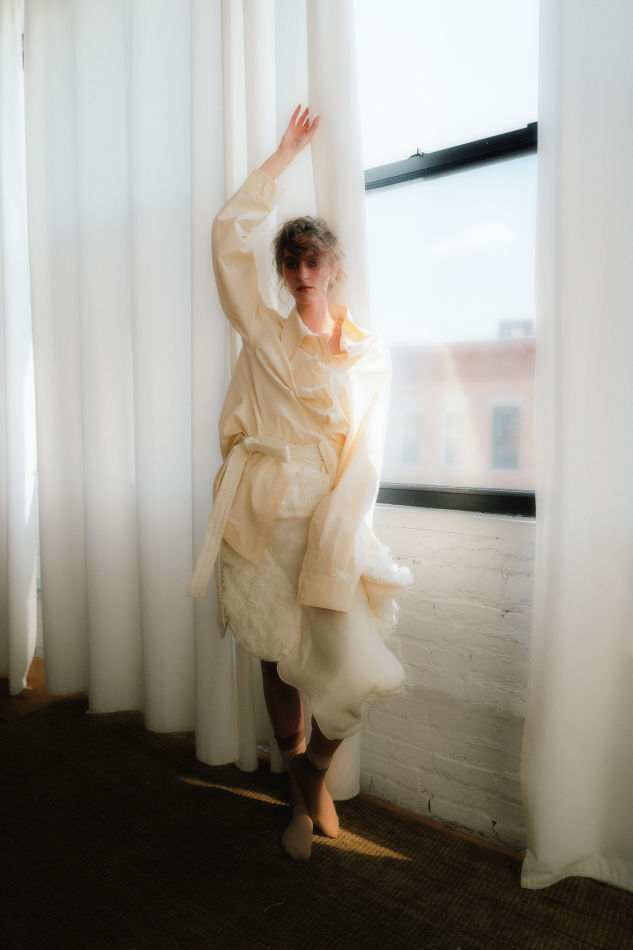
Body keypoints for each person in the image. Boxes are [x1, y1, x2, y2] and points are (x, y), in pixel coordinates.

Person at [188, 105, 410, 860]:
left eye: (314, 262)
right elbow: (226, 234)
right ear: (282, 274)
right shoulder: (262, 332)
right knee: (275, 652)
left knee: (355, 665)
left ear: (334, 268)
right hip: (260, 514)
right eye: (291, 263)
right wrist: (283, 154)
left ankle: (315, 773)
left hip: (330, 514)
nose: (302, 274)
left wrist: (343, 528)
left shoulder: (367, 355)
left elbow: (367, 453)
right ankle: (298, 792)